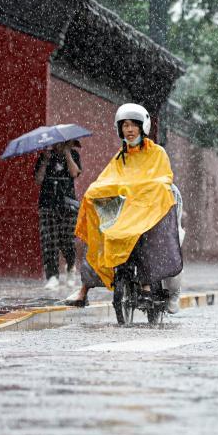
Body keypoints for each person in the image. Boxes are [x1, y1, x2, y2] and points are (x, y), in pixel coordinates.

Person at [65, 103, 183, 310]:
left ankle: (149, 287)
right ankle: (83, 290)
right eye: (125, 126)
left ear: (142, 127)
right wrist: (93, 193)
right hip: (123, 214)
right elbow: (106, 180)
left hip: (148, 215)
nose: (129, 130)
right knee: (99, 237)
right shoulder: (120, 156)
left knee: (149, 241)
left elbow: (163, 179)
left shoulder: (157, 153)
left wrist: (142, 191)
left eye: (133, 125)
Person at [34, 139, 81, 290]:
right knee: (49, 240)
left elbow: (74, 172)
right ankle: (52, 276)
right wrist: (46, 161)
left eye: (63, 143)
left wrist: (67, 155)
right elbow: (38, 179)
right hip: (47, 203)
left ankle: (71, 266)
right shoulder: (45, 157)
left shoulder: (73, 154)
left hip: (68, 204)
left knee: (67, 238)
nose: (59, 146)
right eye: (57, 143)